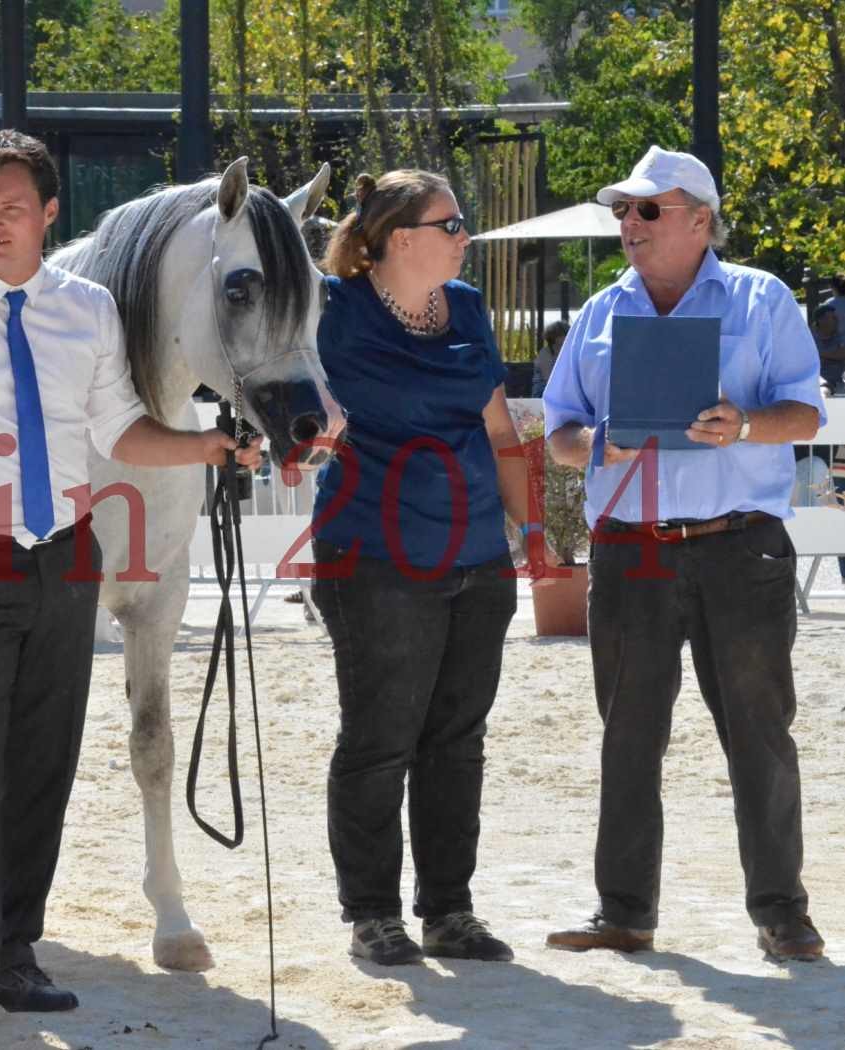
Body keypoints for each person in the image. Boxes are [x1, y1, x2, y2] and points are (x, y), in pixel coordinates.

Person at [0, 129, 262, 1020]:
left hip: (68, 557)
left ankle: (15, 952)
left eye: (8, 210)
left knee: (43, 765)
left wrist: (206, 442)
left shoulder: (88, 311)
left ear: (46, 214)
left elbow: (118, 431)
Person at [543, 146, 826, 962]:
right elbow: (557, 433)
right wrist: (596, 443)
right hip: (629, 553)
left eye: (646, 210)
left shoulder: (761, 298)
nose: (627, 224)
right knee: (626, 734)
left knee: (759, 732)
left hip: (740, 547)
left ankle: (781, 913)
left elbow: (803, 414)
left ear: (699, 220)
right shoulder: (597, 313)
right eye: (621, 211)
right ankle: (623, 913)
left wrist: (742, 424)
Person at [309, 170, 547, 967]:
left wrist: (533, 528)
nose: (465, 236)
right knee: (380, 739)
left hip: (478, 559)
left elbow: (500, 430)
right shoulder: (328, 311)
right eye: (453, 224)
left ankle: (449, 910)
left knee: (457, 741)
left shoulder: (470, 309)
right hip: (373, 557)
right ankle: (371, 914)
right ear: (399, 239)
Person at [810, 274, 844, 394]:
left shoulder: (829, 304)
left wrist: (820, 354)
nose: (836, 320)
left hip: (831, 380)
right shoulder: (811, 338)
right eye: (832, 318)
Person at [531, 319, 569, 399]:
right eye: (564, 334)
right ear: (555, 337)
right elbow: (549, 379)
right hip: (542, 394)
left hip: (562, 392)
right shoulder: (545, 353)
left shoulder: (568, 352)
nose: (567, 337)